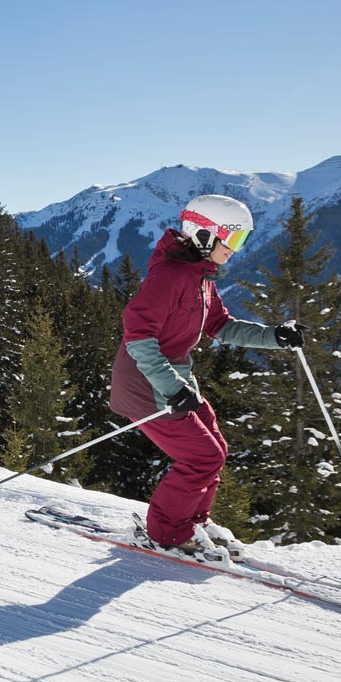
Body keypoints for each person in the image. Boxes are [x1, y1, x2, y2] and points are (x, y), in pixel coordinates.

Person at [110, 195, 305, 561]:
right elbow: (137, 334)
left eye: (241, 241)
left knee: (215, 447)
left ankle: (194, 522)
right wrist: (170, 387)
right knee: (202, 456)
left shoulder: (200, 278)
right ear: (203, 235)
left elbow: (221, 325)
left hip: (174, 381)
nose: (236, 250)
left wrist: (275, 337)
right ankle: (166, 533)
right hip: (146, 385)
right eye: (233, 240)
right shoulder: (169, 276)